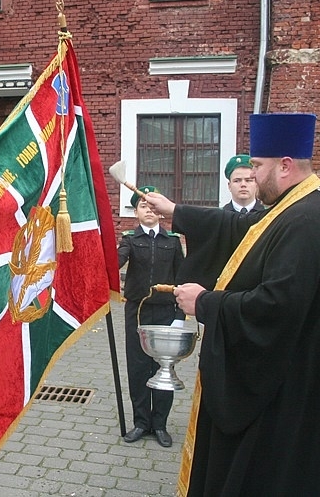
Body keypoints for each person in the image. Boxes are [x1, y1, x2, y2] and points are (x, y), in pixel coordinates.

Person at [143, 113, 320, 495]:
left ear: (284, 166)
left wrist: (205, 303)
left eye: (256, 166)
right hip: (282, 380)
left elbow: (276, 308)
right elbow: (240, 229)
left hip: (279, 390)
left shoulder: (306, 222)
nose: (251, 176)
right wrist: (178, 212)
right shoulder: (294, 208)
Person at [117, 185, 183, 447]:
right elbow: (117, 261)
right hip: (138, 311)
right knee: (138, 367)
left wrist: (180, 315)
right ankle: (141, 422)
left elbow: (182, 277)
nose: (148, 210)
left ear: (160, 212)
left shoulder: (173, 241)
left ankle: (160, 424)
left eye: (152, 206)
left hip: (166, 312)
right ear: (136, 212)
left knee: (163, 368)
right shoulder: (130, 239)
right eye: (143, 206)